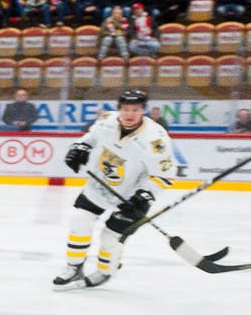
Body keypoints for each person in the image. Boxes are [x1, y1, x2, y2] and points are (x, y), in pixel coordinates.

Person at [55, 89, 176, 289]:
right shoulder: (107, 121)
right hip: (99, 186)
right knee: (80, 221)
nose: (129, 115)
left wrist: (146, 194)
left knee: (110, 236)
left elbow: (165, 174)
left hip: (132, 196)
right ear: (119, 109)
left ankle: (106, 270)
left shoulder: (156, 140)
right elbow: (90, 138)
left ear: (143, 110)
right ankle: (74, 267)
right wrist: (79, 148)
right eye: (125, 109)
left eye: (135, 110)